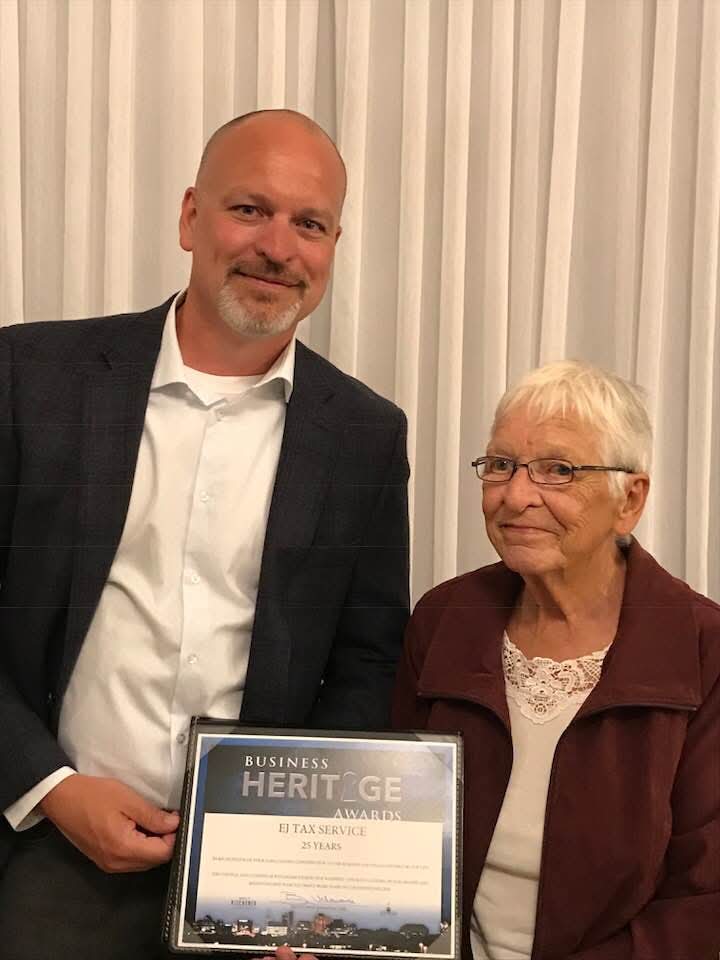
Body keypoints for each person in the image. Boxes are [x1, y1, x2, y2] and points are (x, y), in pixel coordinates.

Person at [0, 109, 409, 959]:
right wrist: (50, 786)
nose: (278, 247)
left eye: (310, 224)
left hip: (257, 884)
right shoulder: (27, 379)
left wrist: (304, 862)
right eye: (249, 209)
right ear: (191, 216)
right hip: (48, 843)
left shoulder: (366, 432)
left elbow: (368, 659)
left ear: (334, 245)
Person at [392, 361, 720, 959]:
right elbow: (387, 830)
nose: (517, 496)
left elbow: (703, 905)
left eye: (559, 471)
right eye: (500, 466)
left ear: (630, 499)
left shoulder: (704, 650)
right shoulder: (446, 618)